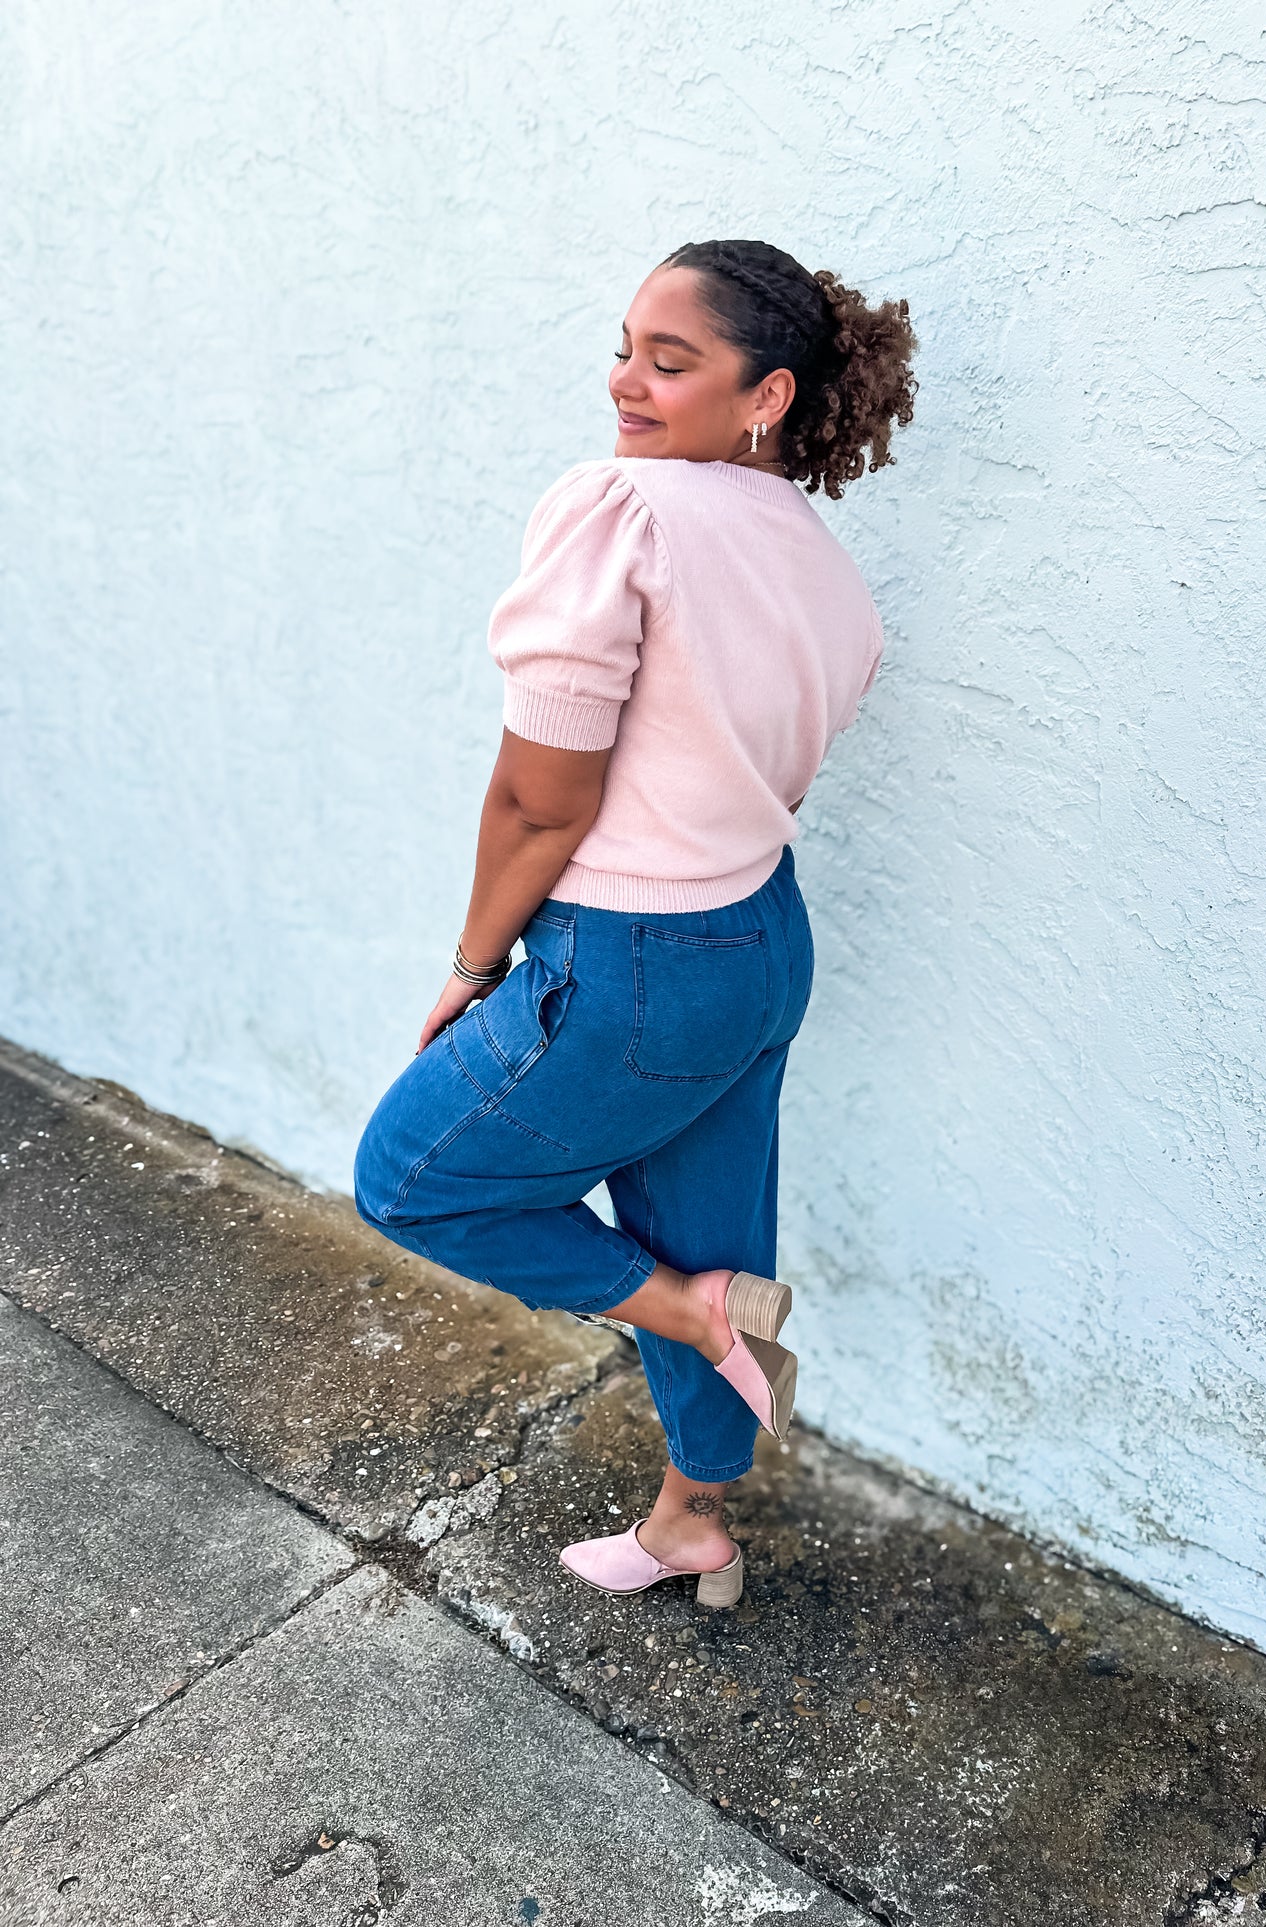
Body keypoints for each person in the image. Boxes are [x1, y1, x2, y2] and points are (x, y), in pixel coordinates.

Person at [354, 238, 915, 1609]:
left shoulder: (622, 509)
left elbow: (541, 798)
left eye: (671, 363)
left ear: (766, 394)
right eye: (622, 349)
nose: (627, 384)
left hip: (630, 961)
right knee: (709, 1228)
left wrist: (476, 962)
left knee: (413, 1179)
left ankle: (687, 1315)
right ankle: (687, 1524)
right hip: (755, 948)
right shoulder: (823, 569)